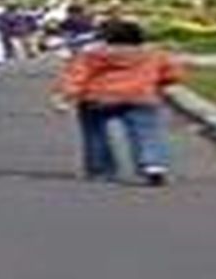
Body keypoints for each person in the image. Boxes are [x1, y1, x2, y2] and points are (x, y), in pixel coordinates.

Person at [54, 19, 184, 186]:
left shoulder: (93, 54)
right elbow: (173, 74)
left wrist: (65, 96)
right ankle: (152, 164)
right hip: (140, 96)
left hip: (98, 97)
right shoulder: (154, 54)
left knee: (95, 133)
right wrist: (159, 83)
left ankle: (101, 168)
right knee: (147, 132)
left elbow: (77, 75)